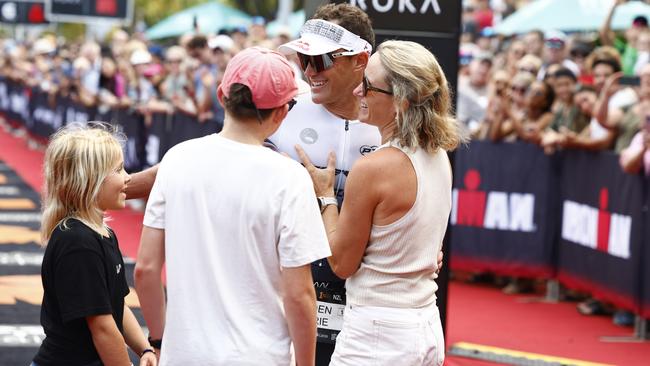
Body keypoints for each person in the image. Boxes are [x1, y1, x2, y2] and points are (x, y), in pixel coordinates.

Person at [134, 47, 331, 365]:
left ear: (221, 95)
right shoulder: (289, 178)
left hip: (184, 355)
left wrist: (158, 341)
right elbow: (299, 294)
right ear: (282, 111)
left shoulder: (178, 159)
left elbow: (146, 269)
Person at [295, 40, 464, 365]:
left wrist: (326, 195)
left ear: (400, 101)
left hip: (377, 334)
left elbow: (342, 264)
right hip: (425, 324)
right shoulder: (439, 154)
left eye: (368, 85)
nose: (357, 91)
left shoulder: (374, 168)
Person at [33, 123, 156, 366]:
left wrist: (144, 349)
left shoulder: (103, 232)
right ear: (90, 180)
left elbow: (116, 306)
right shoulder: (77, 243)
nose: (128, 177)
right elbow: (102, 328)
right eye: (118, 170)